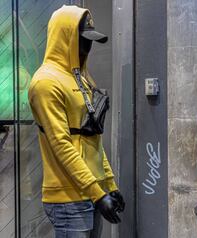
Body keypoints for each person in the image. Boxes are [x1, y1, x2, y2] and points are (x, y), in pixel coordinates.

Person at [28, 6, 124, 237]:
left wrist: (108, 185)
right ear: (65, 37)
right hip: (68, 198)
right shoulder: (46, 83)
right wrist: (98, 193)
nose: (88, 46)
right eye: (83, 39)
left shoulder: (81, 78)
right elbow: (61, 144)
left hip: (92, 191)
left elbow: (93, 139)